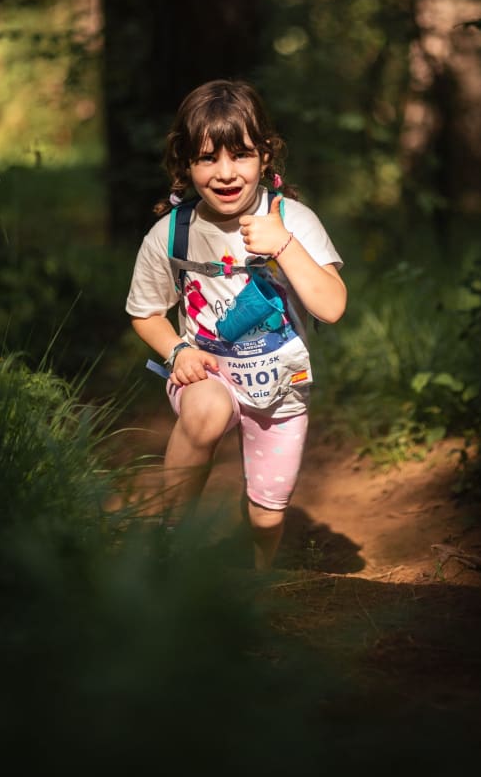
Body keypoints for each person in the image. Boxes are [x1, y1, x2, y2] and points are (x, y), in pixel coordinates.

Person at [125, 79, 346, 569]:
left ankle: (257, 585)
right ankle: (173, 545)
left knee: (267, 515)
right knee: (203, 409)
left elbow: (331, 307)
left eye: (240, 155)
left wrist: (284, 244)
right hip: (209, 375)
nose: (225, 173)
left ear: (265, 157)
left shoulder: (293, 220)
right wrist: (177, 352)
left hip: (280, 388)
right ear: (185, 164)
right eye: (207, 158)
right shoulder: (170, 234)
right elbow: (145, 311)